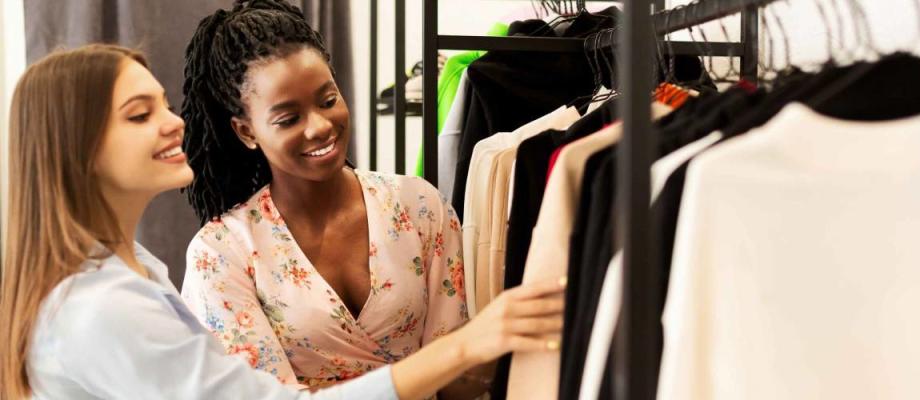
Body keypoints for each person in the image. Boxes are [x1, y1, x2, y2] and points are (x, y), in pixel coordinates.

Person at [0, 44, 565, 400]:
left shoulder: (135, 271)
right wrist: (468, 347)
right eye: (140, 115)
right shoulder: (111, 303)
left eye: (164, 105)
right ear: (77, 147)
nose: (173, 124)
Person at [177, 1, 499, 397]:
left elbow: (457, 382)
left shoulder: (418, 207)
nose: (319, 126)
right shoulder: (222, 252)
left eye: (327, 100)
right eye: (288, 118)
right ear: (246, 131)